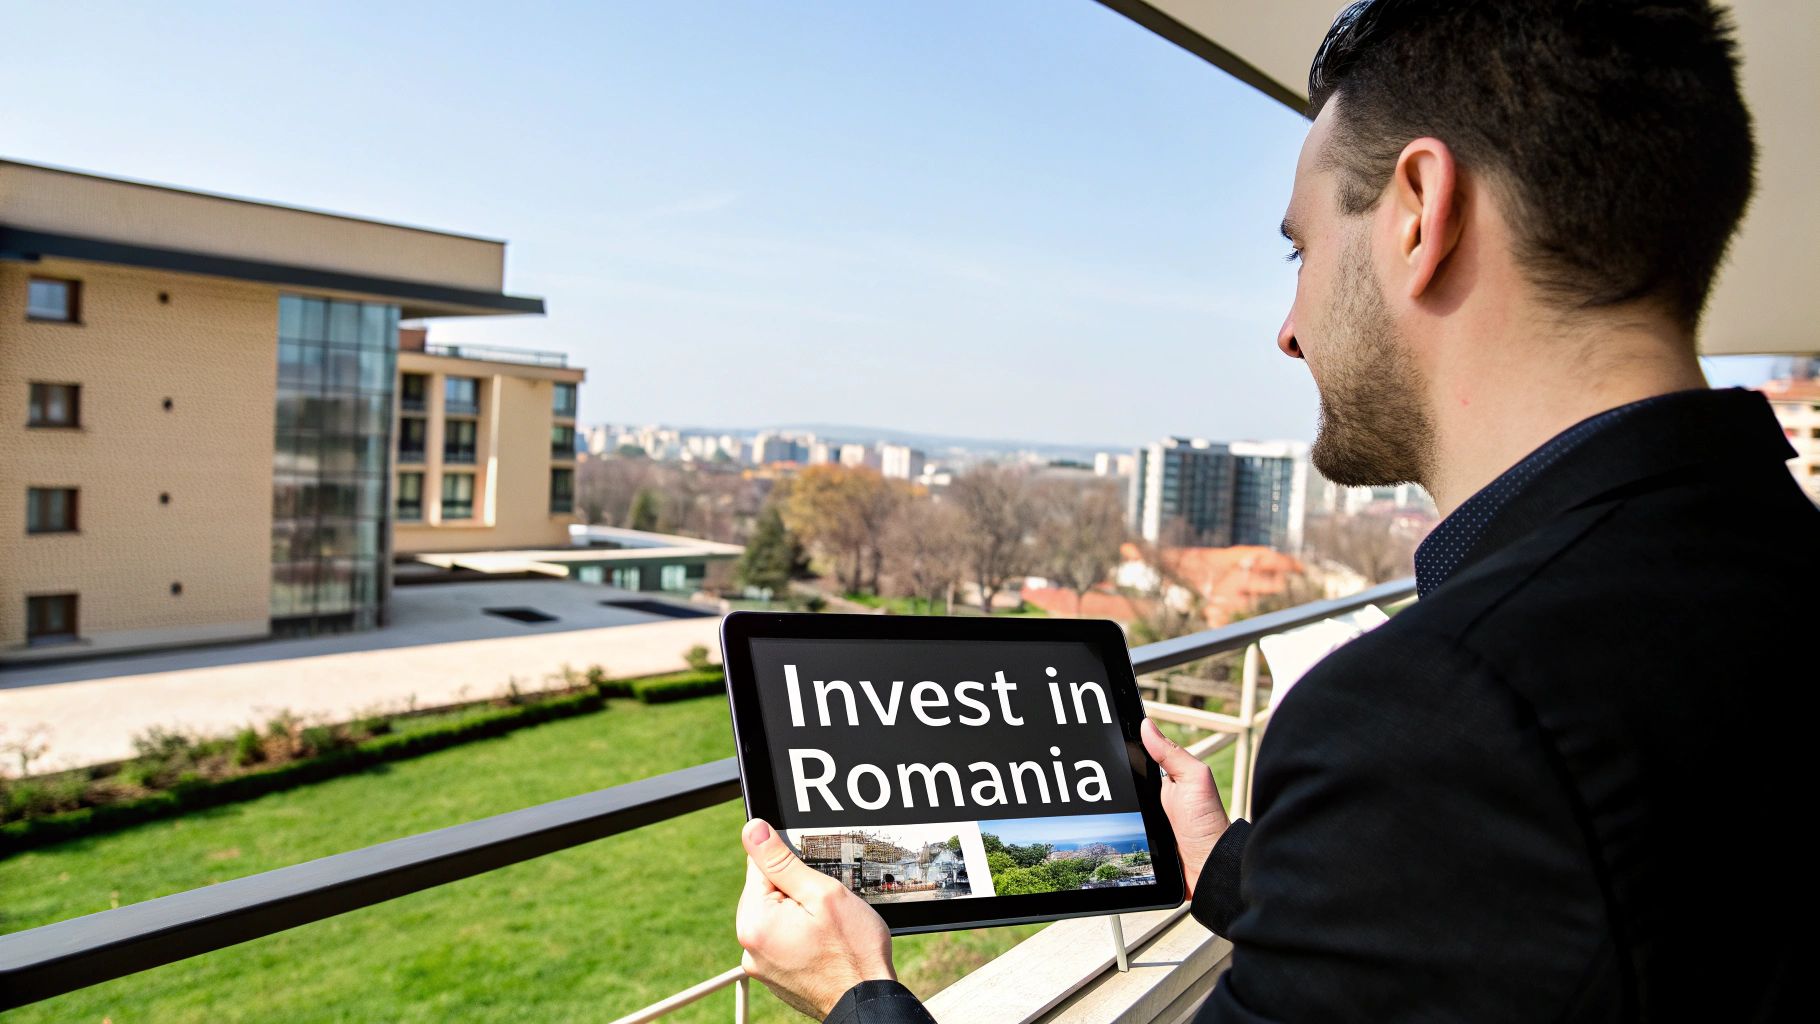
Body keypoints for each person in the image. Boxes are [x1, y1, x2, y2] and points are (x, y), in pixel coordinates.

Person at [734, 0, 1810, 1019]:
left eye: (1300, 251)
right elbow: (1514, 938)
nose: (1287, 330)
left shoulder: (1444, 715)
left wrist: (856, 993)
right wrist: (1233, 864)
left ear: (1418, 213)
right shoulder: (1759, 563)